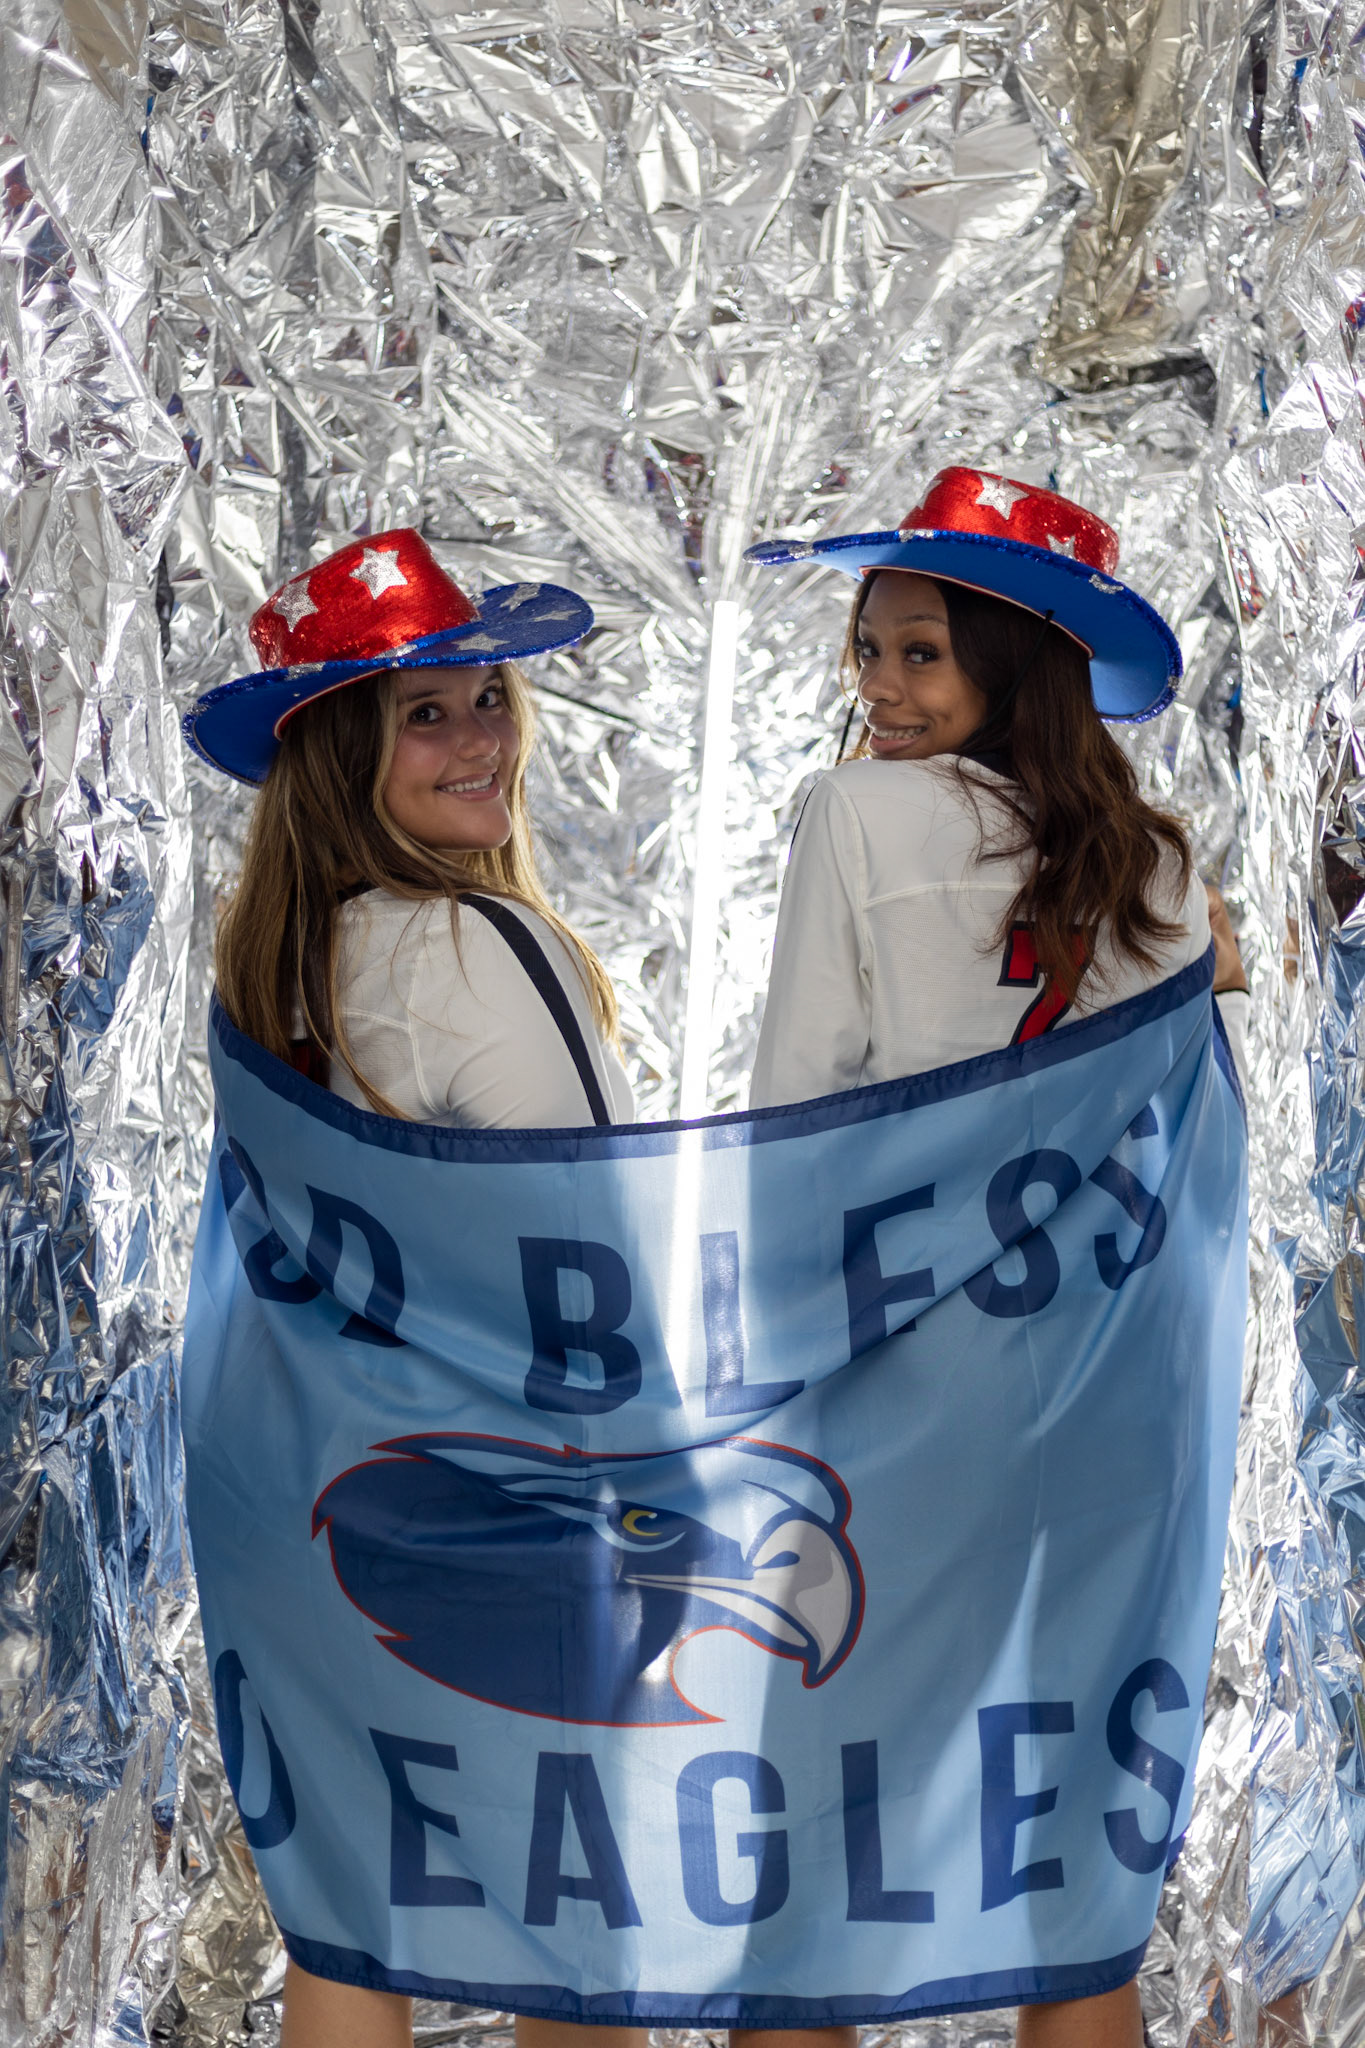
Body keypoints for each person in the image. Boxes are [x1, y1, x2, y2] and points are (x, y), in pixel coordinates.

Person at [745, 465, 1249, 2048]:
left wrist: (765, 1355)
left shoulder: (855, 815)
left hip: (911, 1369)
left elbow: (802, 1104)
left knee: (817, 1813)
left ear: (1006, 667)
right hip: (1113, 1390)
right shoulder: (1153, 860)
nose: (880, 690)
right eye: (870, 649)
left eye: (920, 654)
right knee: (1070, 1832)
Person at [184, 528, 635, 2048]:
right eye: (423, 712)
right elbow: (587, 1244)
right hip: (501, 1491)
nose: (477, 737)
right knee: (578, 1927)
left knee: (355, 1924)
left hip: (300, 1495)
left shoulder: (281, 964)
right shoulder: (477, 943)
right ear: (343, 755)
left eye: (488, 695)